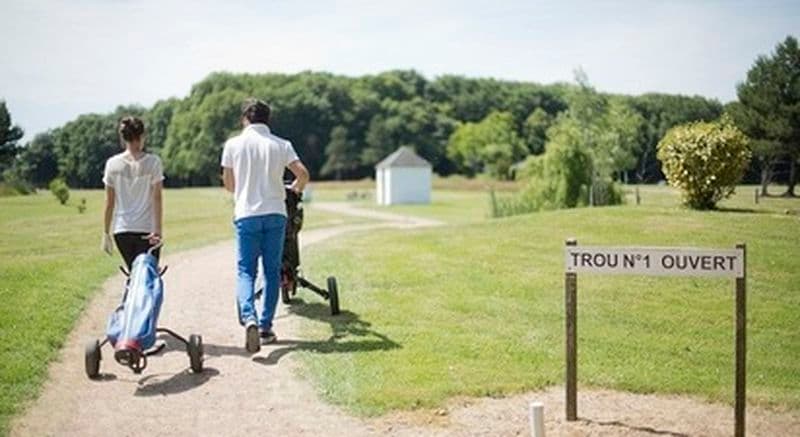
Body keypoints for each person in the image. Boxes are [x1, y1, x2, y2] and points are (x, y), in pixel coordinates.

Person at [221, 98, 309, 353]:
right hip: (275, 214)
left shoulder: (233, 145)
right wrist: (294, 189)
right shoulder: (281, 144)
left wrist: (244, 188)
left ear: (244, 119)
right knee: (271, 271)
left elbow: (229, 185)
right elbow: (303, 175)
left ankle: (249, 316)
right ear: (268, 119)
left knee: (246, 271)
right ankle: (265, 326)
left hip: (246, 214)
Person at [101, 116, 164, 269]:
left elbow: (109, 203)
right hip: (147, 230)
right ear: (142, 136)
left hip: (122, 230)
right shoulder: (153, 162)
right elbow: (157, 198)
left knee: (133, 273)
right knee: (147, 275)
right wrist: (157, 230)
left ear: (123, 138)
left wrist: (106, 233)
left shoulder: (112, 164)